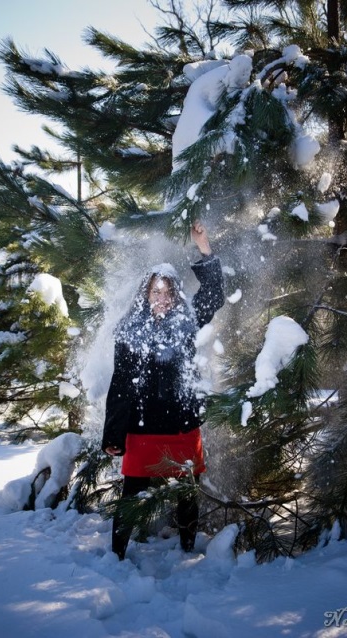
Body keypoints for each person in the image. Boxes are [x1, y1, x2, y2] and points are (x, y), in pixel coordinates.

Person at [102, 221, 224, 559]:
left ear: (175, 295)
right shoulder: (128, 333)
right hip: (142, 430)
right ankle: (116, 556)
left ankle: (187, 552)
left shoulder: (187, 321)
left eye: (168, 292)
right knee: (131, 494)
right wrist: (113, 435)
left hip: (183, 427)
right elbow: (121, 386)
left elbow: (214, 293)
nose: (162, 299)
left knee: (187, 492)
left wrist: (204, 247)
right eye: (156, 292)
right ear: (146, 294)